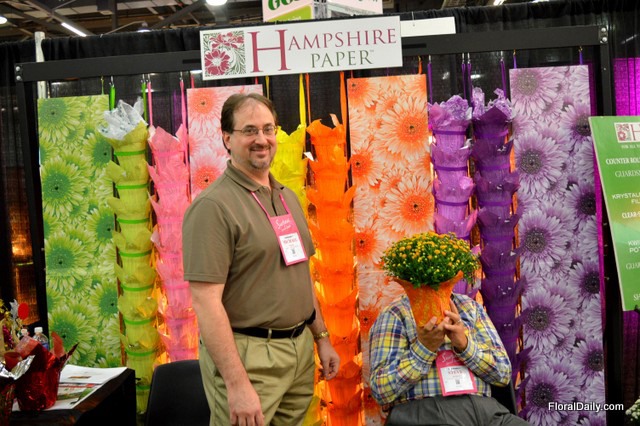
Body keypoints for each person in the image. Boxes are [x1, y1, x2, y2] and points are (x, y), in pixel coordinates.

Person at [183, 93, 340, 426]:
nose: (262, 139)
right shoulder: (213, 208)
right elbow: (206, 303)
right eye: (249, 130)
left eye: (268, 129)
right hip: (248, 356)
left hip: (298, 352)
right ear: (227, 138)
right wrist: (237, 384)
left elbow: (300, 274)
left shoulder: (286, 198)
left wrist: (321, 337)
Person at [369, 292, 530, 426]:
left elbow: (503, 374)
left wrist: (465, 346)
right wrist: (424, 349)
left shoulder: (469, 306)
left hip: (489, 413)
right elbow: (381, 390)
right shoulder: (396, 313)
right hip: (429, 413)